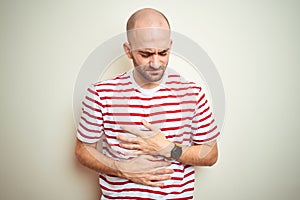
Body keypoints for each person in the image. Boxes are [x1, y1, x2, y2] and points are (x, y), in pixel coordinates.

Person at [75, 8, 220, 199]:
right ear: (128, 50)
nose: (156, 63)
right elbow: (82, 150)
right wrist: (122, 169)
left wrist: (168, 148)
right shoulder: (101, 94)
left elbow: (210, 155)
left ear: (170, 45)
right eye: (146, 54)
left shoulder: (192, 94)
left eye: (163, 53)